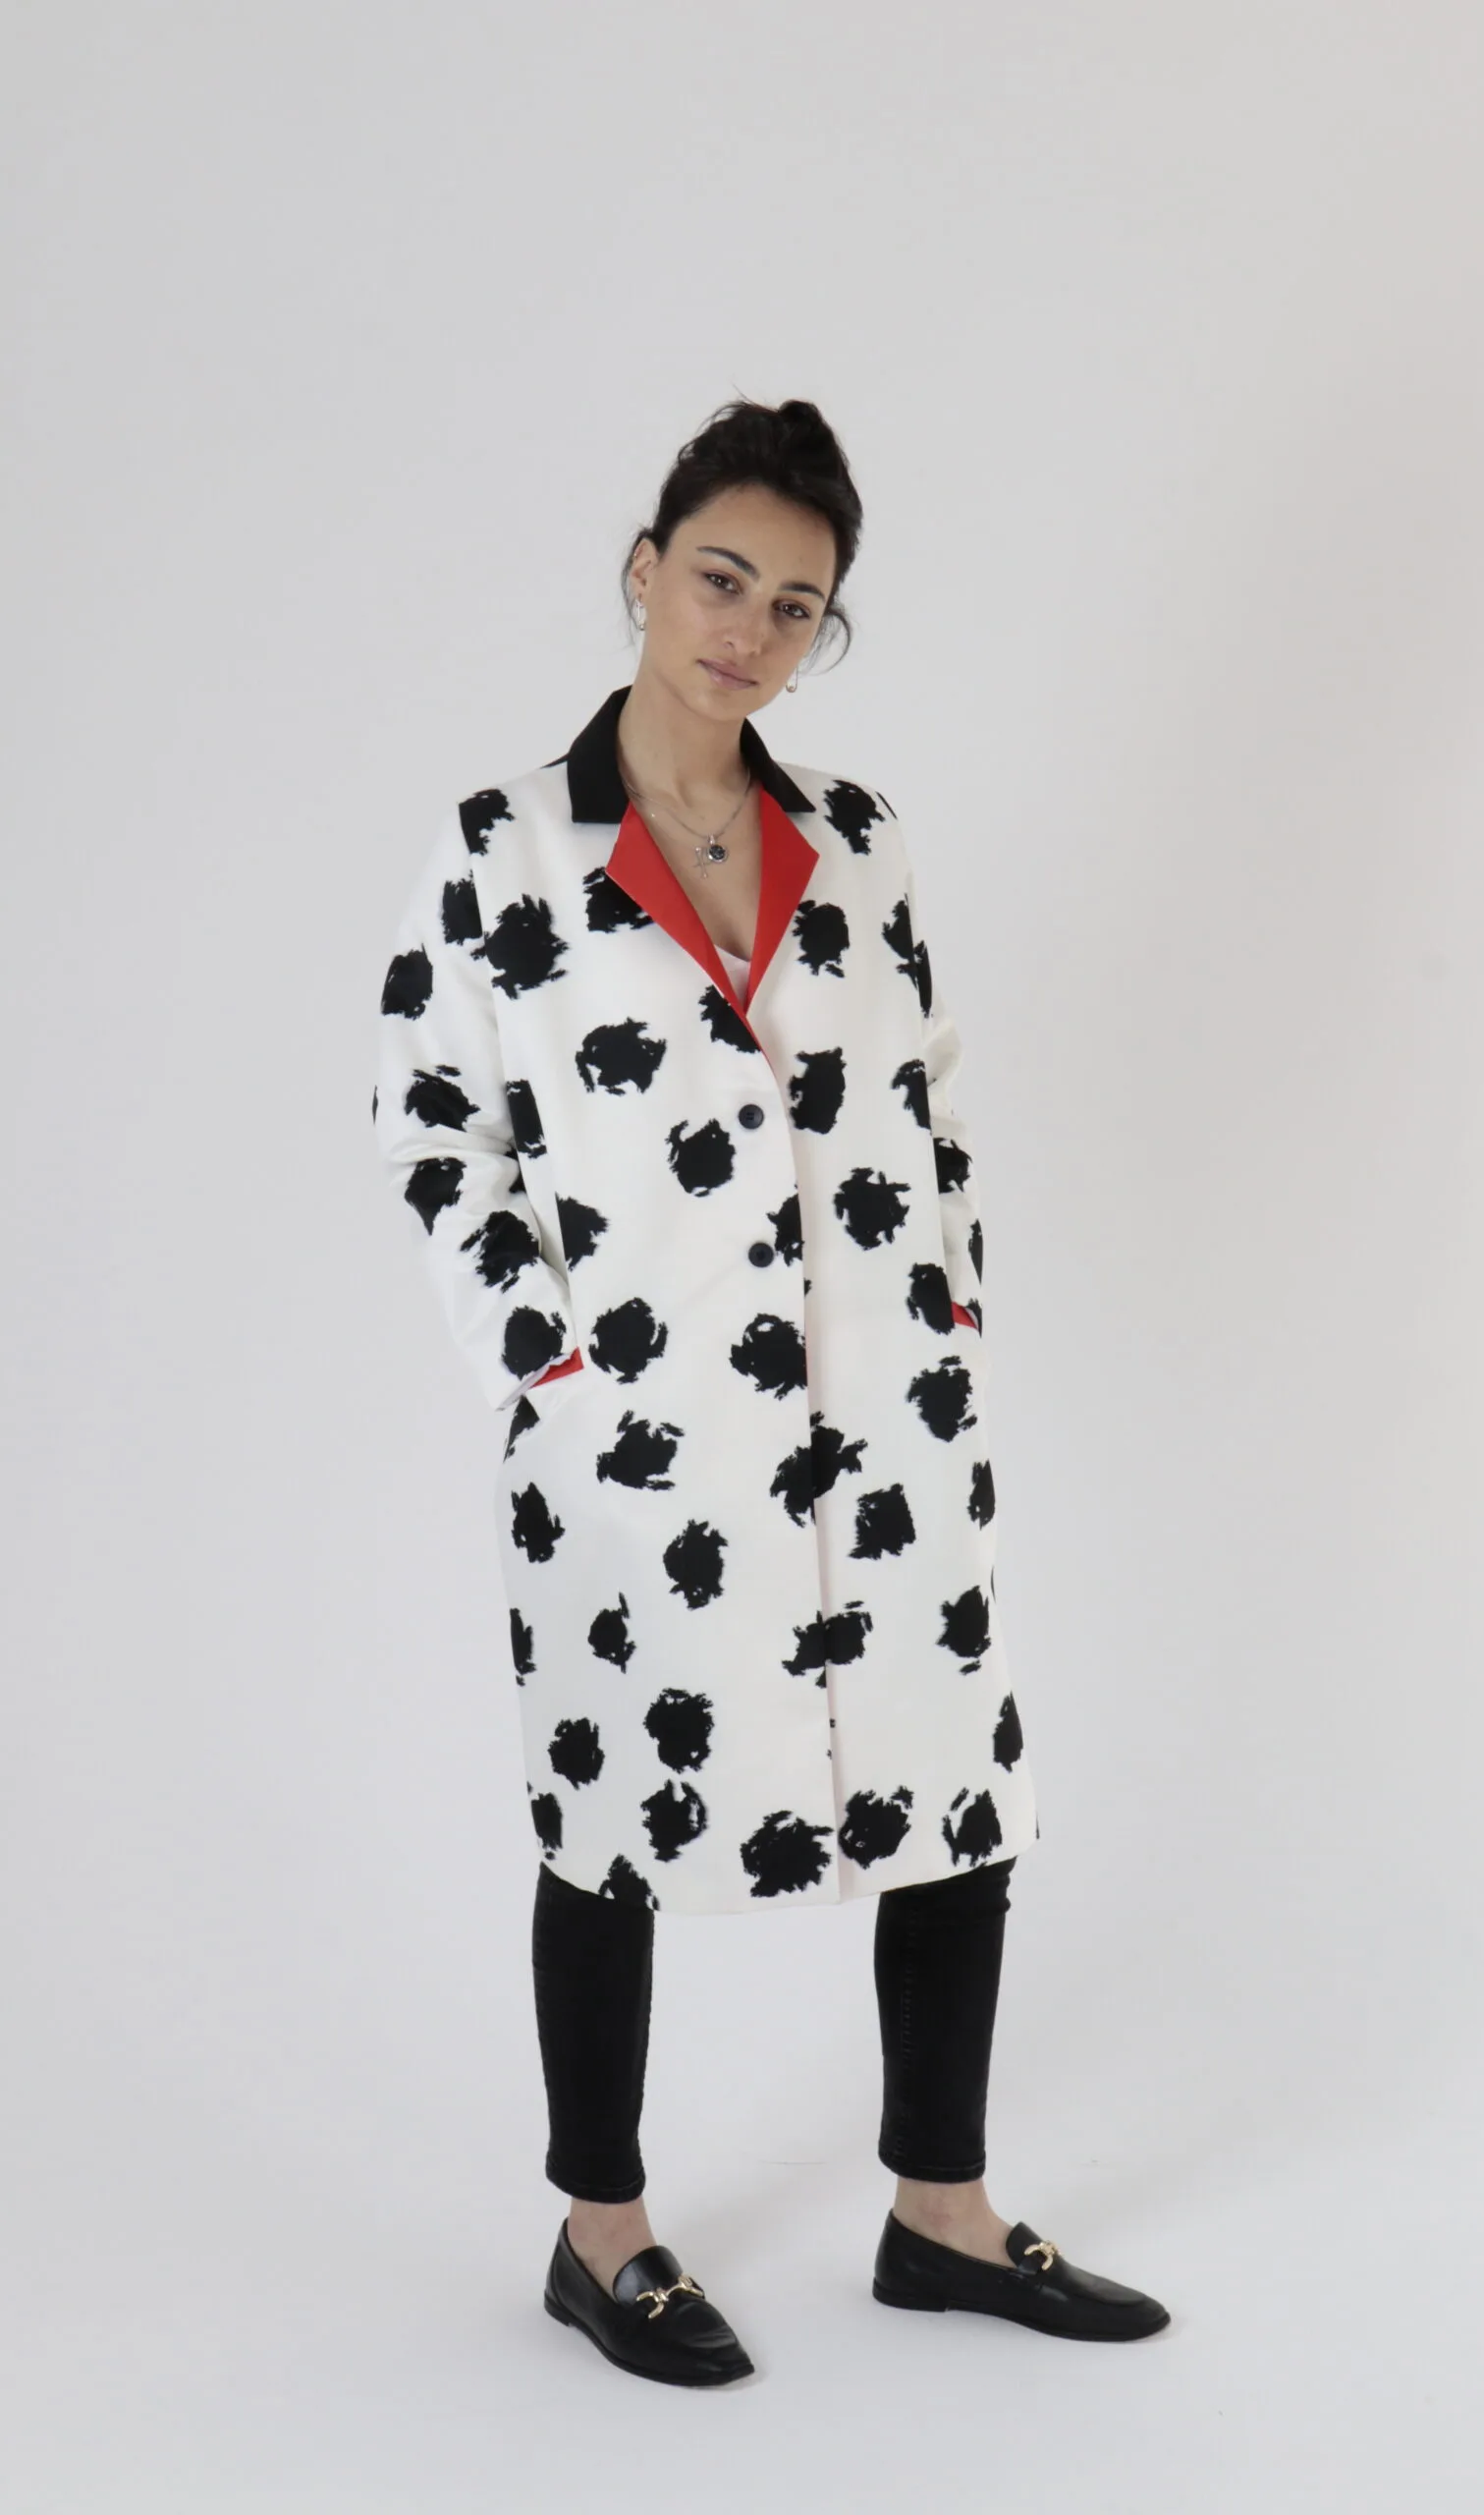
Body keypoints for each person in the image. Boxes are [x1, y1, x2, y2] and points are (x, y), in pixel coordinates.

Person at [372, 397, 1170, 2385]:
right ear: (645, 569)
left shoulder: (860, 839)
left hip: (883, 1414)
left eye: (795, 605)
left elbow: (932, 1093)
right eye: (720, 578)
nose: (747, 629)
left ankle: (940, 2213)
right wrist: (547, 1355)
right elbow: (433, 1122)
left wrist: (947, 1305)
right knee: (609, 1810)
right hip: (639, 1437)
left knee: (953, 1787)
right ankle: (602, 2237)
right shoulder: (503, 850)